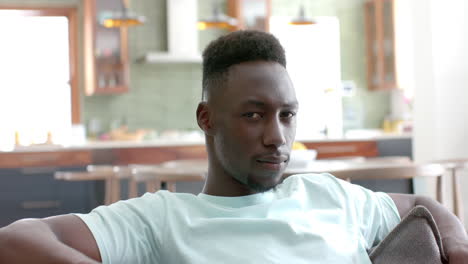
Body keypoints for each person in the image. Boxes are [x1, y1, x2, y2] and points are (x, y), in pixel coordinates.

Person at [0, 30, 467, 264]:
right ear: (207, 119)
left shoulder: (334, 197)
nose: (277, 136)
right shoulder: (160, 219)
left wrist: (460, 245)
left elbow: (425, 205)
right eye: (253, 114)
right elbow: (16, 239)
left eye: (287, 115)